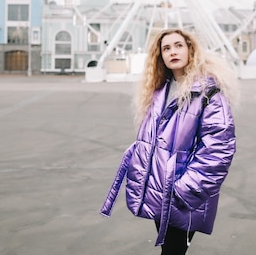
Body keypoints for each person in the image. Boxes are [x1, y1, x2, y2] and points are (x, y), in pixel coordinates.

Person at [101, 29, 238, 254]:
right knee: (170, 249)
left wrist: (182, 191)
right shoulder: (158, 92)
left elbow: (218, 150)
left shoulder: (208, 93)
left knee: (172, 251)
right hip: (160, 193)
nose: (172, 51)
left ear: (190, 49)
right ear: (160, 56)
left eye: (178, 45)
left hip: (183, 196)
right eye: (166, 48)